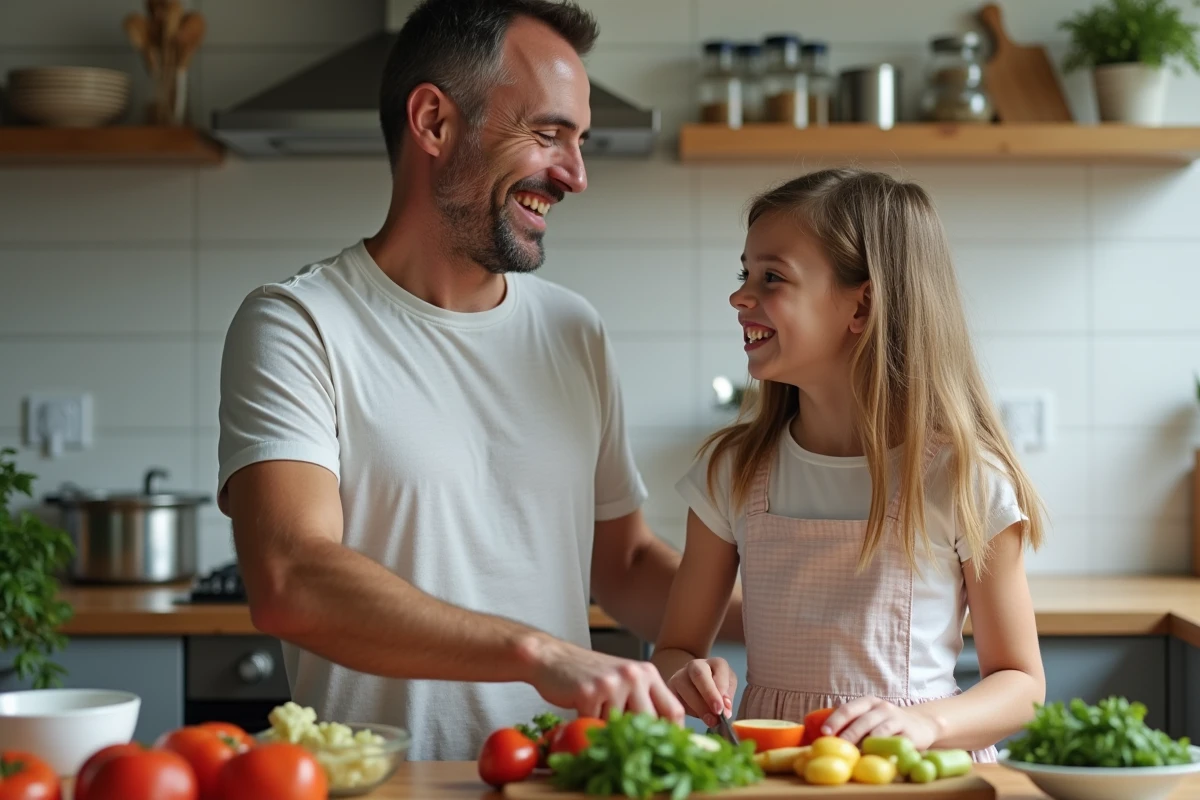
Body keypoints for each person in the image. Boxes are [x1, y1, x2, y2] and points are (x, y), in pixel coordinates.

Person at [216, 0, 739, 762]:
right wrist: (537, 653)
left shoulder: (573, 330)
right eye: (549, 133)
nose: (576, 175)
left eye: (580, 141)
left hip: (552, 776)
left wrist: (790, 606)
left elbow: (622, 565)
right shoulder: (300, 325)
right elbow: (291, 578)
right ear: (433, 121)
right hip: (390, 782)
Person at [651, 168, 1047, 762]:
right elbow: (673, 651)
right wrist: (687, 677)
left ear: (862, 305)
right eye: (745, 273)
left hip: (915, 774)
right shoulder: (732, 471)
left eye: (772, 277)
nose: (740, 295)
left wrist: (927, 725)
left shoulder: (960, 476)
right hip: (773, 774)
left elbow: (1022, 686)